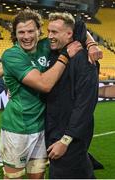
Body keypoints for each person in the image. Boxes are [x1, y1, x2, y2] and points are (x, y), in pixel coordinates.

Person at [0, 9, 102, 179]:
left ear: (38, 32)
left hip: (41, 128)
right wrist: (65, 55)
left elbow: (78, 25)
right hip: (18, 127)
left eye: (31, 31)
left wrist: (91, 43)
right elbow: (44, 84)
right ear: (14, 34)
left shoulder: (46, 45)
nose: (26, 36)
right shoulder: (12, 55)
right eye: (21, 32)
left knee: (38, 176)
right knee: (13, 177)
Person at [45, 12, 99, 179]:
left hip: (69, 138)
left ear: (69, 34)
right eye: (48, 31)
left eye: (54, 32)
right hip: (56, 132)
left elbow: (85, 104)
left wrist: (65, 140)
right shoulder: (56, 53)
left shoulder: (84, 59)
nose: (49, 36)